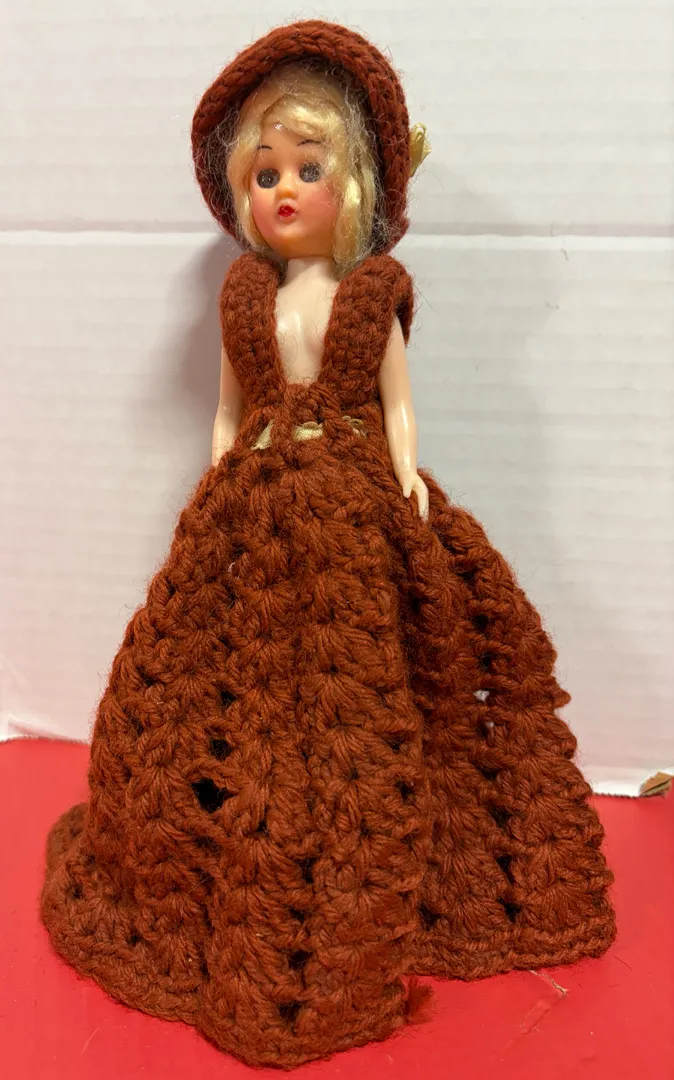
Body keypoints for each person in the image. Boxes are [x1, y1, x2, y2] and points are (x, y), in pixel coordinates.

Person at [40, 21, 616, 1070]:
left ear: (356, 185)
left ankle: (409, 855)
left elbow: (398, 406)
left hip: (355, 502)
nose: (285, 191)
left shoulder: (370, 293)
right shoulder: (247, 296)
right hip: (255, 506)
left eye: (309, 168)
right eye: (265, 173)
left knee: (375, 677)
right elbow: (230, 409)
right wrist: (218, 481)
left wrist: (406, 476)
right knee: (234, 677)